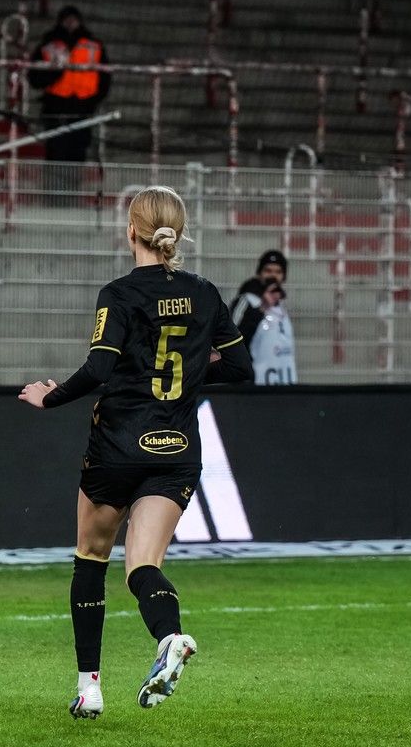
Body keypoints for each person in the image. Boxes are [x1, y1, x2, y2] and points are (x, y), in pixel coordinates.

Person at [17, 186, 253, 719]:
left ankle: (89, 688)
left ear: (132, 231)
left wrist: (48, 396)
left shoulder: (119, 294)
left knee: (91, 559)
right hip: (176, 448)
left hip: (118, 445)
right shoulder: (204, 293)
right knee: (142, 565)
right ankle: (168, 637)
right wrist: (192, 370)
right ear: (178, 231)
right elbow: (239, 368)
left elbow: (100, 369)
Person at [27, 5, 110, 165]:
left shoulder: (94, 45)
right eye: (67, 19)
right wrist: (54, 73)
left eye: (74, 19)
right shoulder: (49, 44)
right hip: (55, 106)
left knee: (78, 151)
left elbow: (105, 76)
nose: (70, 23)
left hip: (83, 105)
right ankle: (54, 188)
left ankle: (73, 187)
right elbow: (34, 77)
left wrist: (94, 99)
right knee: (55, 150)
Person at [230, 249, 296, 385]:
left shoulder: (281, 305)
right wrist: (262, 308)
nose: (273, 276)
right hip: (254, 387)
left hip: (284, 385)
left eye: (278, 272)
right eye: (268, 271)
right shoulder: (247, 300)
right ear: (260, 273)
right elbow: (232, 340)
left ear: (283, 276)